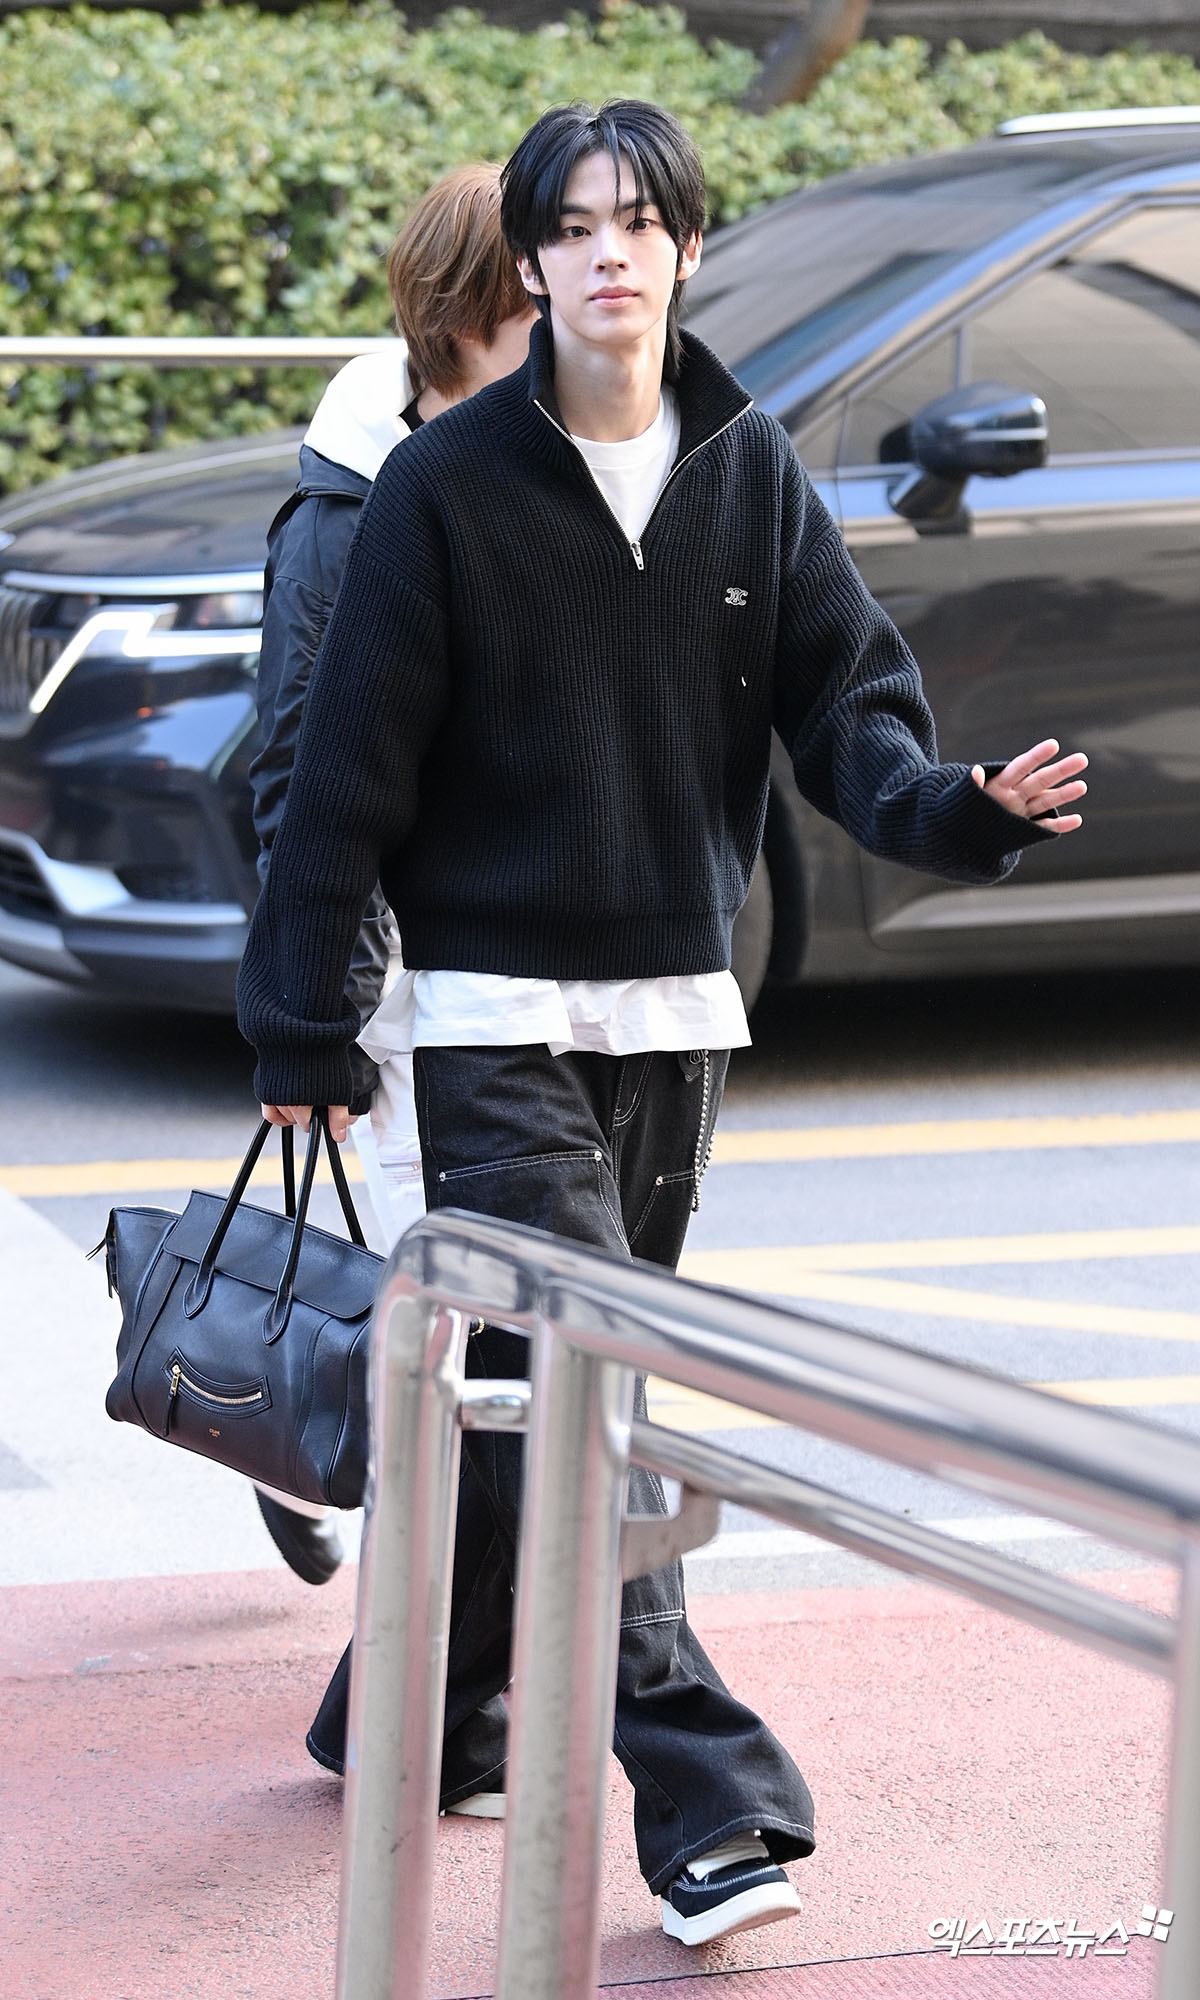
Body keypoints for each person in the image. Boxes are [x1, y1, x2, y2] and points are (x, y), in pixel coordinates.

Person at [237, 99, 1087, 1944]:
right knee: (592, 1392)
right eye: (575, 226)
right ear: (532, 262)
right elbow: (341, 777)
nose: (609, 252)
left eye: (641, 221)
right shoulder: (447, 489)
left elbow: (848, 712)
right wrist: (304, 1020)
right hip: (492, 1025)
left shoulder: (749, 468)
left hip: (678, 1014)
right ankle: (710, 1804)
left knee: (534, 1396)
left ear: (689, 250)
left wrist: (959, 812)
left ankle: (412, 1709)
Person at [243, 164, 536, 1818]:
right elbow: (299, 777)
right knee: (466, 1335)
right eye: (535, 303)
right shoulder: (352, 515)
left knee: (473, 1333)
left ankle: (298, 1408)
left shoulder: (538, 458)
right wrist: (325, 1019)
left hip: (526, 972)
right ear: (460, 321)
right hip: (414, 985)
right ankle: (298, 1413)